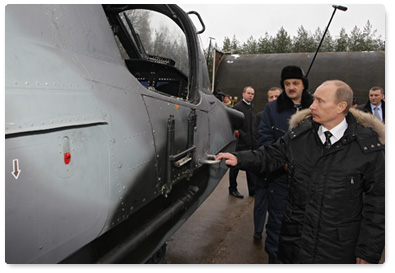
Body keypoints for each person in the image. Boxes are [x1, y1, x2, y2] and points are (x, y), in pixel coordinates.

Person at [216, 80, 385, 264]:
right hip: (294, 243)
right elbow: (270, 155)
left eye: (320, 101)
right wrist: (239, 158)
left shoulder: (367, 148)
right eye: (314, 100)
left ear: (340, 107)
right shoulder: (300, 134)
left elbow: (378, 205)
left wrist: (368, 251)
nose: (312, 106)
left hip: (337, 250)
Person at [253, 66, 313, 264]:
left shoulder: (315, 108)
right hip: (279, 177)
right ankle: (275, 260)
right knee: (277, 221)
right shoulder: (272, 109)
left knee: (306, 222)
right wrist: (283, 164)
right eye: (287, 84)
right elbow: (265, 140)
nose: (291, 87)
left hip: (309, 180)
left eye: (295, 83)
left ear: (303, 84)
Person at [228, 86, 257, 198]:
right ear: (243, 94)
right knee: (235, 167)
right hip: (240, 143)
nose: (251, 95)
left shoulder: (252, 108)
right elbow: (233, 125)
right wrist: (242, 135)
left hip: (251, 143)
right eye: (249, 93)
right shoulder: (237, 108)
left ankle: (252, 190)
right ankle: (232, 188)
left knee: (250, 166)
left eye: (252, 94)